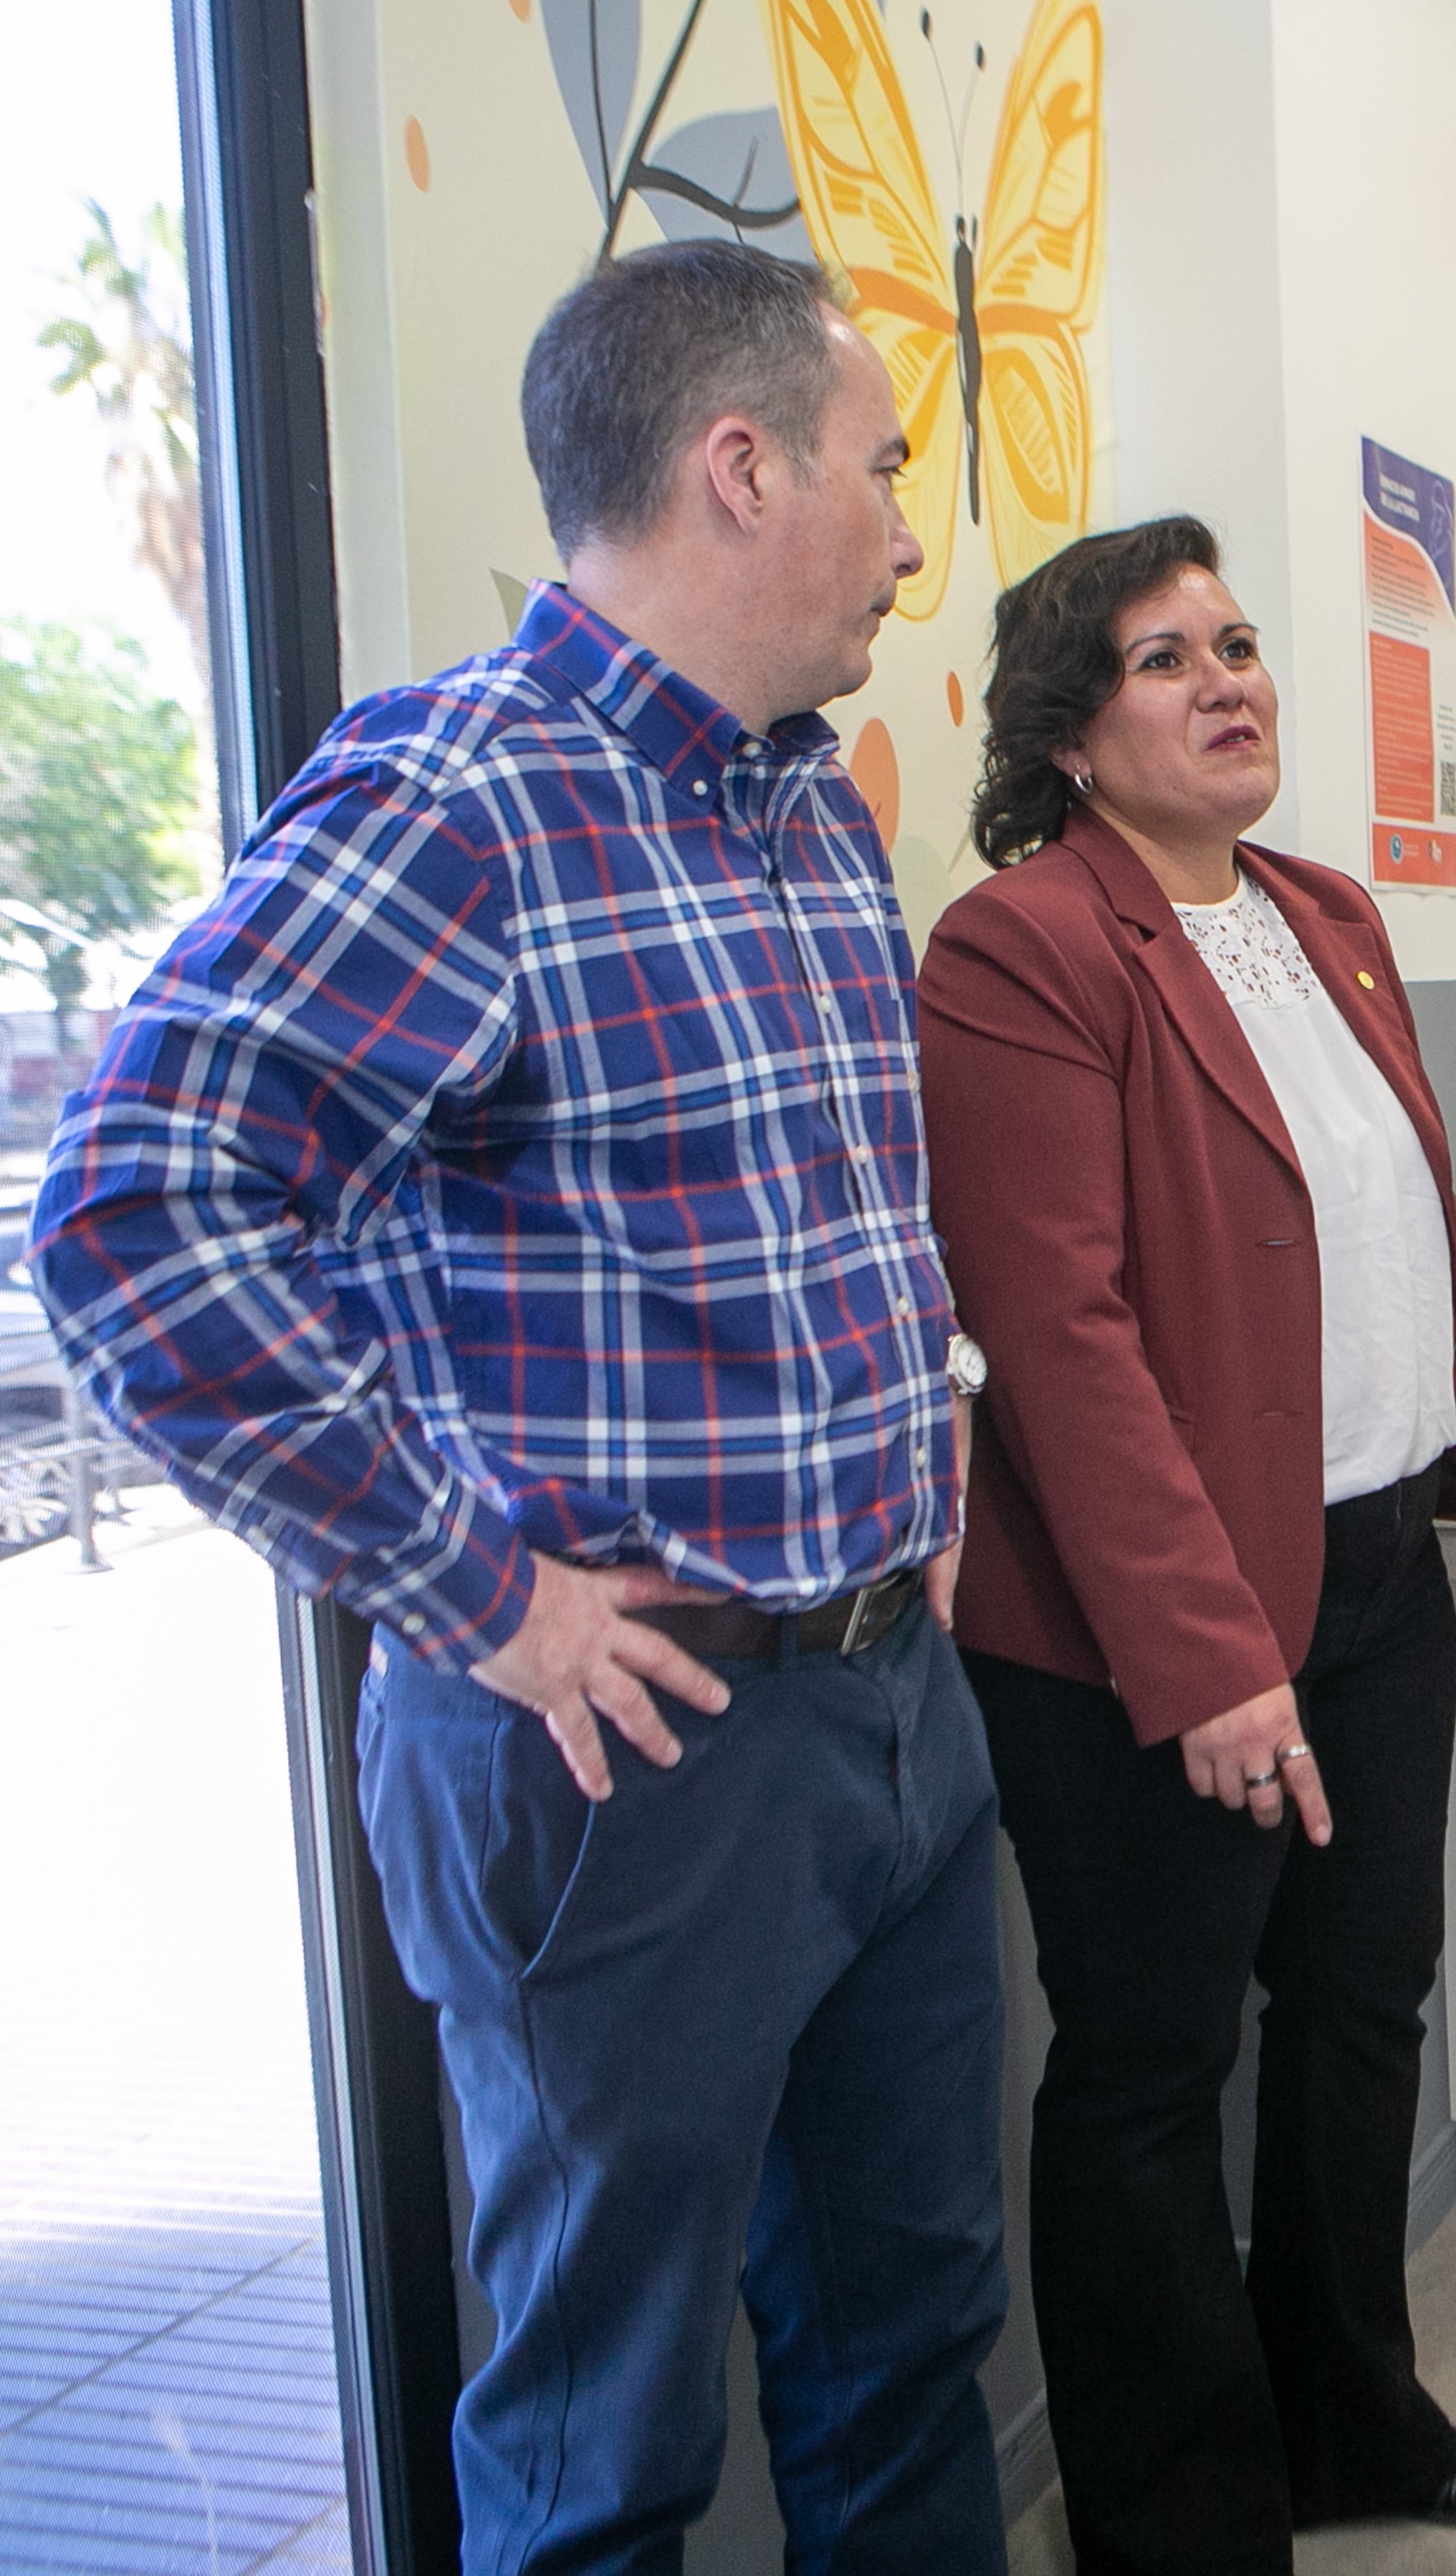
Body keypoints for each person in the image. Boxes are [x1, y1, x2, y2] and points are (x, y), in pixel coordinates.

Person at [32, 243, 1010, 2572]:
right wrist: (483, 1596)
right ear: (738, 464)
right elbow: (132, 1215)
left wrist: (925, 1455)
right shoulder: (460, 798)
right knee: (606, 2445)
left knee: (911, 2338)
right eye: (883, 474)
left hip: (884, 1714)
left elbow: (844, 1212)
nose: (904, 531)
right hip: (622, 1758)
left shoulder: (814, 815)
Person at [914, 514, 1456, 2576]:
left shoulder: (1329, 915)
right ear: (1074, 735)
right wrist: (1205, 1660)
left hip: (1370, 1570)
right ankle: (1181, 2520)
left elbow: (1424, 1255)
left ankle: (1351, 2413)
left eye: (1240, 641)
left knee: (1365, 2011)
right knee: (1153, 2065)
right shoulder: (1023, 949)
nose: (1227, 678)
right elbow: (1058, 1335)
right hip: (1138, 1631)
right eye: (1165, 656)